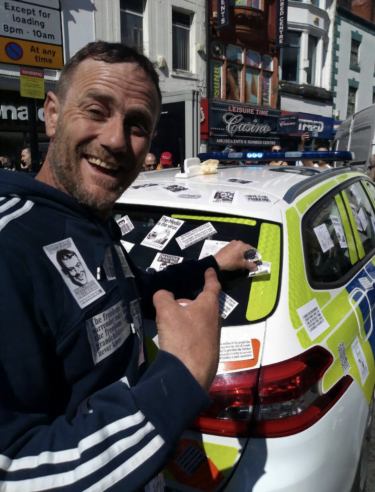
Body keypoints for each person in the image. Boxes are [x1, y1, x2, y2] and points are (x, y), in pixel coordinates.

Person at [0, 41, 257, 492]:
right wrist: (179, 377)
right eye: (97, 110)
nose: (117, 140)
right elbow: (14, 469)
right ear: (53, 114)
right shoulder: (9, 247)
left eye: (137, 125)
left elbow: (127, 297)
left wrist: (211, 263)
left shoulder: (92, 221)